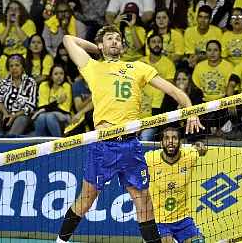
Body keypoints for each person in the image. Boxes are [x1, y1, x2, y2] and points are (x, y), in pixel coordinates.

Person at [56, 25, 202, 243]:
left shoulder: (138, 68)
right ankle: (60, 241)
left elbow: (173, 90)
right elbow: (68, 39)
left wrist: (191, 111)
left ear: (123, 46)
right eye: (109, 38)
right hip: (103, 145)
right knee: (86, 199)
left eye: (118, 39)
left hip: (131, 145)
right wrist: (97, 48)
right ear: (101, 45)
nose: (114, 41)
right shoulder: (92, 66)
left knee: (143, 201)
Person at [145, 127, 206, 242]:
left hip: (183, 220)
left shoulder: (189, 156)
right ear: (161, 143)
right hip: (159, 221)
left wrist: (200, 145)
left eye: (175, 138)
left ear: (180, 142)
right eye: (167, 138)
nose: (171, 141)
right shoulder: (150, 158)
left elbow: (201, 150)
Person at [0, 54, 37, 136]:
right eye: (11, 66)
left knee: (21, 119)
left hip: (21, 116)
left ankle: (10, 142)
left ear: (23, 67)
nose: (14, 68)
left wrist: (14, 116)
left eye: (17, 65)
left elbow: (30, 106)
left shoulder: (30, 82)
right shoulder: (4, 82)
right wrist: (5, 113)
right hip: (5, 116)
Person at [139, 32, 176, 141]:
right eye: (153, 42)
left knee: (145, 138)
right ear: (148, 45)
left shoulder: (169, 64)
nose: (157, 44)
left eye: (159, 42)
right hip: (138, 109)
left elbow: (169, 87)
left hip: (157, 111)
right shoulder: (141, 62)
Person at [33, 64, 72, 137]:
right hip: (46, 115)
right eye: (56, 74)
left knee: (49, 116)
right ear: (51, 76)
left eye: (61, 73)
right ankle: (39, 142)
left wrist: (45, 109)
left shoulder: (67, 86)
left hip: (64, 116)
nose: (59, 76)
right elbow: (42, 107)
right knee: (41, 117)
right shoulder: (44, 85)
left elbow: (64, 110)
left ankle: (58, 142)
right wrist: (57, 102)